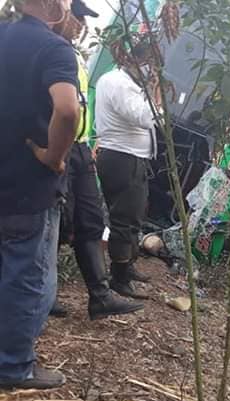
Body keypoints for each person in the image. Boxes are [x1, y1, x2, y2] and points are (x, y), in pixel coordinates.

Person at [0, 0, 80, 389]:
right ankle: (14, 366)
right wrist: (54, 155)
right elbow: (67, 111)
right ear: (54, 5)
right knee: (29, 279)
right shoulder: (53, 49)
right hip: (29, 186)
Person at [50, 0, 145, 319]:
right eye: (76, 17)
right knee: (56, 224)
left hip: (79, 148)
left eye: (84, 20)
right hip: (56, 148)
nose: (80, 25)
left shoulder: (73, 56)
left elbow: (80, 107)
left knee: (91, 220)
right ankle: (45, 293)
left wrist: (89, 142)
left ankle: (100, 296)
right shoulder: (45, 50)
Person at [95, 41, 157, 300]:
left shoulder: (129, 84)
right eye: (149, 64)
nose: (152, 71)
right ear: (135, 60)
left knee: (134, 216)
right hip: (122, 158)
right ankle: (118, 277)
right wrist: (156, 94)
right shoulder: (117, 83)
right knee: (124, 218)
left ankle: (127, 265)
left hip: (132, 158)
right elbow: (144, 117)